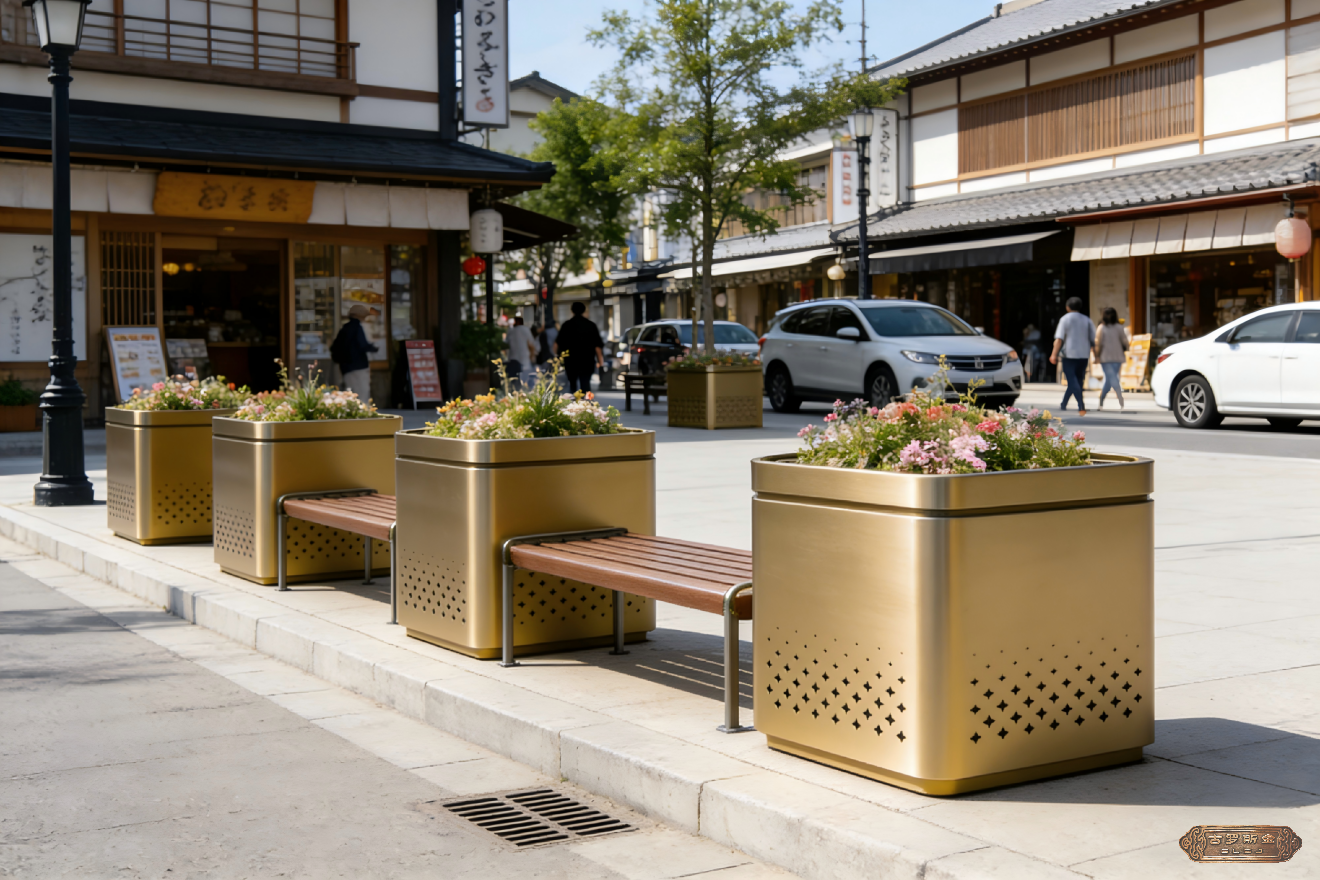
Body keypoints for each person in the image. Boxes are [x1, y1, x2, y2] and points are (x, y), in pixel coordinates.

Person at [1049, 297, 1096, 415]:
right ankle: (1064, 403)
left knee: (1072, 379)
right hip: (1083, 354)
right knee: (1078, 379)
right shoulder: (1087, 320)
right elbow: (1093, 339)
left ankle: (1081, 405)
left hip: (1069, 354)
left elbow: (1059, 339)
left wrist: (1053, 354)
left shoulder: (1065, 319)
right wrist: (1095, 355)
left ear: (1067, 307)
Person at [331, 303, 377, 402]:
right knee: (362, 394)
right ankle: (364, 415)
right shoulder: (358, 327)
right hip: (359, 366)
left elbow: (335, 347)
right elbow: (362, 345)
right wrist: (373, 348)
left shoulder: (344, 329)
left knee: (350, 395)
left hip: (346, 367)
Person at [555, 302, 604, 394]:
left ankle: (573, 405)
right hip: (587, 360)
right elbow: (597, 345)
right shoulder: (591, 325)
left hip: (570, 361)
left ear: (572, 311)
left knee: (572, 384)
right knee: (585, 384)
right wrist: (601, 361)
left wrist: (557, 359)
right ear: (584, 310)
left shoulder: (567, 325)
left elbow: (558, 343)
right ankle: (586, 404)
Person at [1095, 307, 1129, 411]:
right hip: (1117, 357)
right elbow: (1125, 341)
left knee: (1110, 380)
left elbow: (1098, 343)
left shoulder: (1101, 327)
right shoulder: (1119, 327)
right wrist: (1127, 348)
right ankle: (1120, 399)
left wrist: (1097, 356)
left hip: (1106, 357)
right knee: (1113, 379)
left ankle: (1102, 401)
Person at [504, 315, 537, 389]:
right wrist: (532, 358)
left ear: (517, 322)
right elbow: (531, 345)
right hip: (524, 361)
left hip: (513, 361)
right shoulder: (525, 329)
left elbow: (505, 344)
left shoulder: (511, 331)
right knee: (526, 385)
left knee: (514, 385)